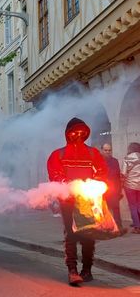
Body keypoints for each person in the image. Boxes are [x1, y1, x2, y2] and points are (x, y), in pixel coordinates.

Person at [47, 118, 107, 285]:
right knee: (71, 234)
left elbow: (102, 172)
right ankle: (72, 270)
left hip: (89, 201)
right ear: (68, 134)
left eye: (82, 132)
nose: (78, 135)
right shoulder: (58, 154)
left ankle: (87, 270)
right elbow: (55, 176)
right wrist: (69, 186)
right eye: (75, 132)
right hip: (68, 201)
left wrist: (94, 184)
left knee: (89, 235)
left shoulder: (93, 153)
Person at [100, 143, 123, 230]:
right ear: (102, 150)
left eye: (109, 150)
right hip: (102, 189)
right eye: (106, 150)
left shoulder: (115, 161)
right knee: (103, 209)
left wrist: (119, 190)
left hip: (113, 189)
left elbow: (117, 176)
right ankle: (105, 227)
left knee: (116, 208)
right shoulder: (98, 161)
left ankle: (118, 227)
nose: (108, 152)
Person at [122, 142, 140, 234]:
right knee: (138, 204)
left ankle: (137, 226)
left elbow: (124, 173)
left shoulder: (127, 158)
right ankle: (138, 223)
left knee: (133, 205)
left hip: (130, 185)